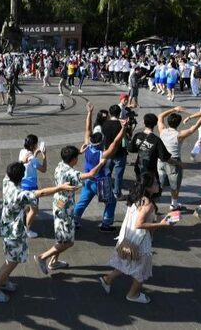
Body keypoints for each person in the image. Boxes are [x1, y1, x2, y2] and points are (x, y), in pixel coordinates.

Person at [0, 162, 80, 303]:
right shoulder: (20, 195)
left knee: (11, 258)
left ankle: (3, 282)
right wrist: (60, 187)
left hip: (6, 225)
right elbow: (41, 193)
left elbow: (12, 171)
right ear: (22, 177)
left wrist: (23, 161)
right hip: (13, 232)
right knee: (12, 261)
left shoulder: (7, 181)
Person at [100, 171, 176, 304]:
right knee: (141, 270)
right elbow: (139, 224)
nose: (158, 184)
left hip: (128, 238)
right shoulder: (149, 204)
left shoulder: (136, 197)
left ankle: (107, 279)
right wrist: (162, 224)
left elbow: (140, 218)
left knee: (126, 262)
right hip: (140, 242)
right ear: (147, 187)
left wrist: (161, 218)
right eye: (155, 183)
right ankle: (132, 294)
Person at [34, 145, 105, 275]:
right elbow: (91, 174)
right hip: (65, 208)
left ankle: (54, 262)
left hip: (58, 202)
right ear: (73, 159)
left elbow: (70, 159)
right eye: (77, 157)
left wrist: (79, 151)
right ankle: (42, 257)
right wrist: (100, 163)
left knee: (62, 237)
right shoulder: (71, 173)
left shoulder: (60, 165)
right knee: (68, 242)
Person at [74, 103, 127, 232]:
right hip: (101, 182)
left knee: (82, 201)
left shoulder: (87, 146)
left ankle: (73, 221)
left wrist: (89, 113)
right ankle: (106, 224)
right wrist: (123, 129)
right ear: (101, 142)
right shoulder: (102, 154)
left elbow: (87, 129)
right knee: (111, 202)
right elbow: (115, 143)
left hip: (88, 180)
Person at [157, 105, 201, 211]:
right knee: (174, 185)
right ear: (178, 123)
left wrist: (174, 109)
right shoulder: (179, 135)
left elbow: (160, 116)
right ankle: (174, 204)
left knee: (160, 184)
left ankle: (153, 202)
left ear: (168, 122)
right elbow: (194, 127)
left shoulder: (162, 130)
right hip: (174, 162)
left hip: (161, 160)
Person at [19, 134, 47, 238]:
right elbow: (43, 169)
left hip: (22, 184)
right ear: (34, 145)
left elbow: (29, 162)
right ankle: (27, 230)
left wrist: (36, 153)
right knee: (34, 210)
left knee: (27, 208)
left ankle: (24, 226)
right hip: (31, 187)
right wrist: (44, 156)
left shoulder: (22, 152)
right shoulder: (33, 159)